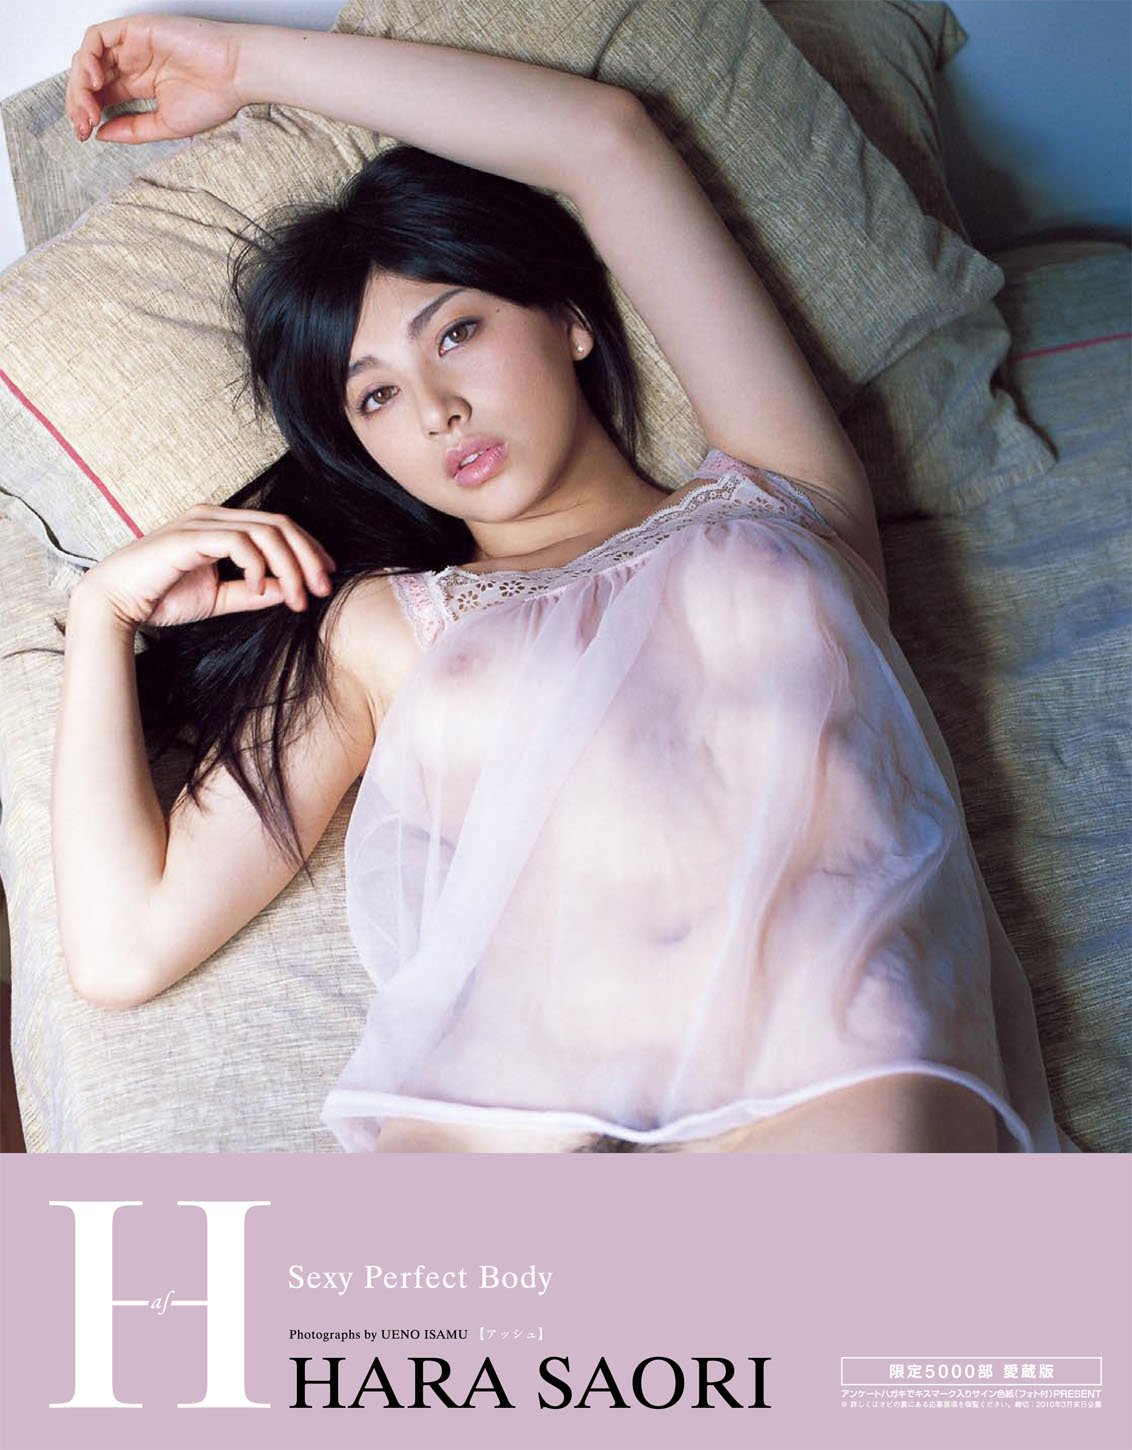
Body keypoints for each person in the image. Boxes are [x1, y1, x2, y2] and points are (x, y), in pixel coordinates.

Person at [55, 13, 1066, 1154]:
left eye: (458, 332)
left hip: (831, 1067)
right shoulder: (382, 628)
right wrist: (101, 616)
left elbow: (603, 138)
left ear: (572, 321)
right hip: (511, 1116)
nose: (436, 409)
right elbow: (123, 948)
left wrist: (248, 65)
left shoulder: (784, 492)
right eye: (375, 395)